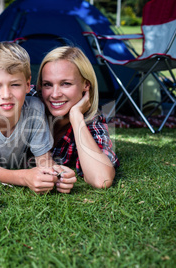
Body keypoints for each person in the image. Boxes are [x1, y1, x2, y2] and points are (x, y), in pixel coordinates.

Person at [0, 42, 77, 194]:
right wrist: (25, 177)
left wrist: (58, 175)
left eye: (15, 85)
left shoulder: (35, 109)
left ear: (27, 85)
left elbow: (44, 161)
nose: (6, 95)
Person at [36, 46, 120, 189]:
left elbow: (101, 180)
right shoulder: (27, 102)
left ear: (86, 85)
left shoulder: (92, 121)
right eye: (47, 84)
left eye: (66, 84)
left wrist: (76, 116)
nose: (55, 94)